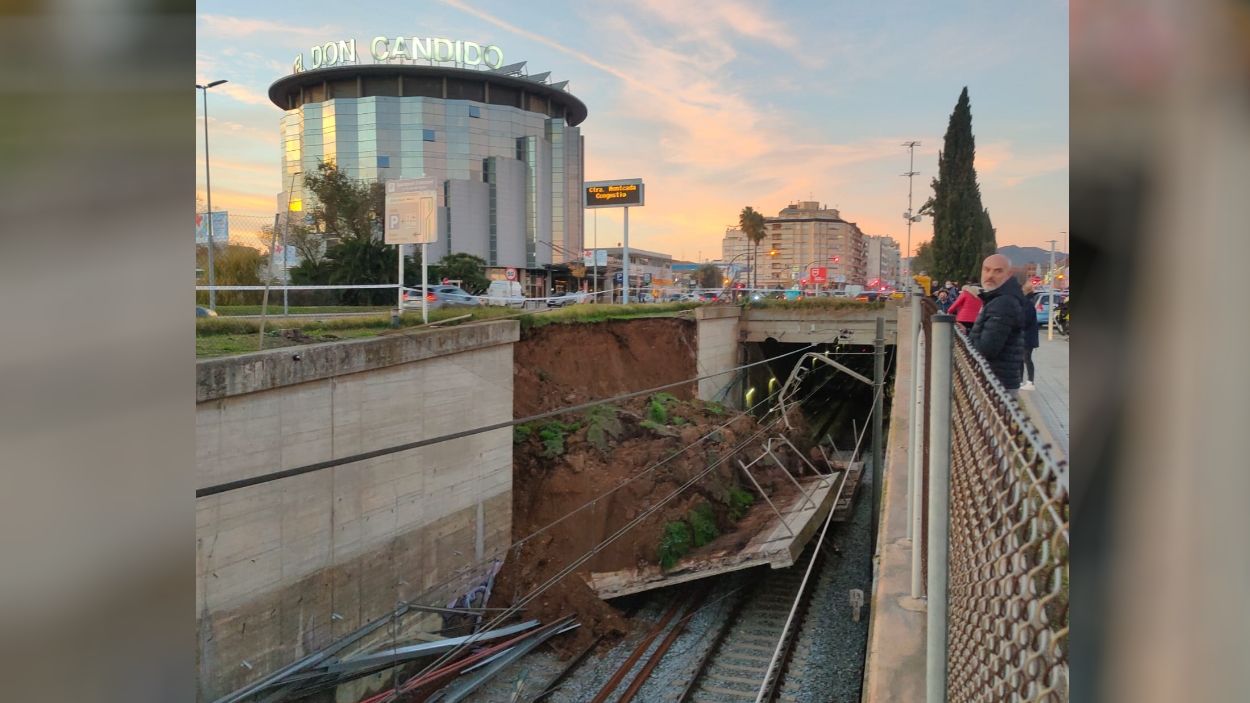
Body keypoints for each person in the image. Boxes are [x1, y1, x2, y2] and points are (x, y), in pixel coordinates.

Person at [969, 254, 1027, 392]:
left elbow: (987, 349)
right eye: (986, 270)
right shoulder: (998, 298)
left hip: (996, 385)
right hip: (997, 381)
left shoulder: (1003, 303)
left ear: (1009, 274)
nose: (990, 275)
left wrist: (968, 337)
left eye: (998, 271)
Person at [1020, 281, 1041, 390]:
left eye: (1023, 290)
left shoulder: (1028, 303)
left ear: (1026, 291)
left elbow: (1025, 320)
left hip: (1028, 337)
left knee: (1026, 358)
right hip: (1027, 336)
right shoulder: (1029, 301)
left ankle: (1030, 382)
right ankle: (1020, 381)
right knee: (1022, 358)